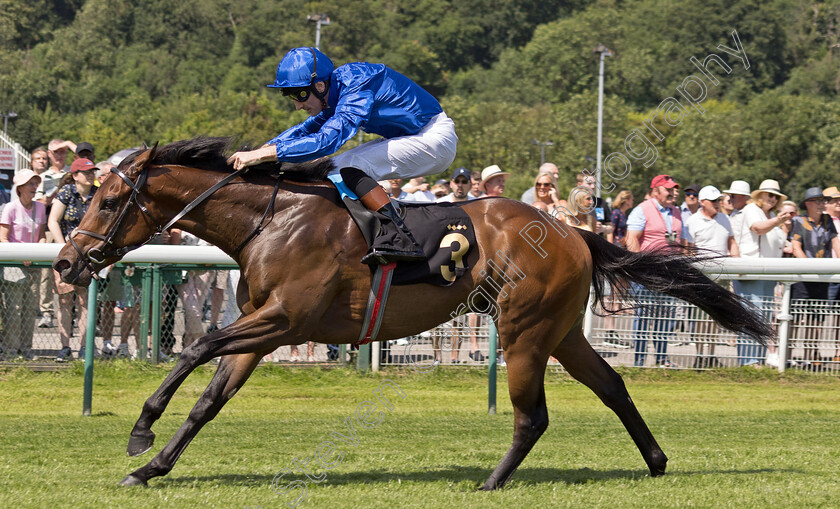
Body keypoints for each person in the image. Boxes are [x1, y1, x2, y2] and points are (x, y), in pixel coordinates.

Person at [227, 47, 457, 264]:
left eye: (300, 95)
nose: (297, 105)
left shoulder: (358, 85)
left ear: (319, 85)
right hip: (411, 136)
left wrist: (268, 154)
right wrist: (262, 149)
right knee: (334, 166)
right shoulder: (335, 89)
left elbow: (326, 141)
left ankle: (398, 237)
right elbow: (308, 128)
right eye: (291, 96)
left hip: (435, 138)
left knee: (347, 166)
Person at [732, 179, 791, 367]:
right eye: (769, 194)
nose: (772, 199)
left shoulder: (772, 215)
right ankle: (749, 362)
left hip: (767, 274)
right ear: (760, 195)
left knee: (763, 318)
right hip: (751, 272)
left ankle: (757, 359)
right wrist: (778, 221)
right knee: (752, 316)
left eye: (776, 196)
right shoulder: (752, 210)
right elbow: (757, 228)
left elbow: (778, 244)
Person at [625, 174, 682, 368]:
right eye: (668, 189)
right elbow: (632, 239)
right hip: (647, 273)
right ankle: (639, 361)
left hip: (669, 272)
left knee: (666, 316)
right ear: (655, 191)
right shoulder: (641, 210)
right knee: (643, 316)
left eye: (674, 189)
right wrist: (641, 268)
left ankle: (662, 359)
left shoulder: (676, 212)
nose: (673, 192)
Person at [48, 158, 98, 361]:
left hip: (88, 258)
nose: (91, 175)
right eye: (86, 172)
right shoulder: (67, 192)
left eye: (92, 172)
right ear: (75, 175)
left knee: (86, 302)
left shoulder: (97, 194)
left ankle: (85, 346)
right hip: (67, 258)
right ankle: (65, 347)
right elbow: (53, 221)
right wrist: (63, 250)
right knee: (65, 301)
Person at [684, 186, 739, 368]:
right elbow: (689, 250)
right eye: (714, 201)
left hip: (722, 275)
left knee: (716, 318)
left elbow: (732, 243)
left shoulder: (724, 218)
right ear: (703, 202)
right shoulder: (692, 221)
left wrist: (737, 265)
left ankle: (711, 354)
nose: (718, 204)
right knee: (700, 318)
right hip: (701, 276)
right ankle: (700, 355)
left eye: (718, 200)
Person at [789, 187, 839, 364]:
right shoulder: (798, 220)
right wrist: (809, 266)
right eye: (817, 201)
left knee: (816, 319)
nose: (821, 204)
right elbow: (795, 246)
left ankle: (810, 356)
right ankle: (787, 357)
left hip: (823, 276)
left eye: (822, 201)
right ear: (808, 204)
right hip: (803, 277)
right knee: (794, 316)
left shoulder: (827, 221)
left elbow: (835, 243)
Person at [0, 170, 46, 360]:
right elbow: (3, 238)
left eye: (36, 184)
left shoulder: (41, 208)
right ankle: (10, 348)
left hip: (34, 265)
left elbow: (42, 235)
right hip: (13, 265)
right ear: (20, 188)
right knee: (14, 308)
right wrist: (21, 255)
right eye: (31, 184)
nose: (35, 188)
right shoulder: (10, 208)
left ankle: (26, 348)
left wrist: (39, 251)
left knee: (29, 309)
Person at [577, 172, 613, 238]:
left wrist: (603, 228)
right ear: (580, 184)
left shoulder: (601, 202)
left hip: (598, 243)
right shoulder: (574, 203)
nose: (593, 187)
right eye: (589, 184)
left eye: (594, 184)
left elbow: (611, 227)